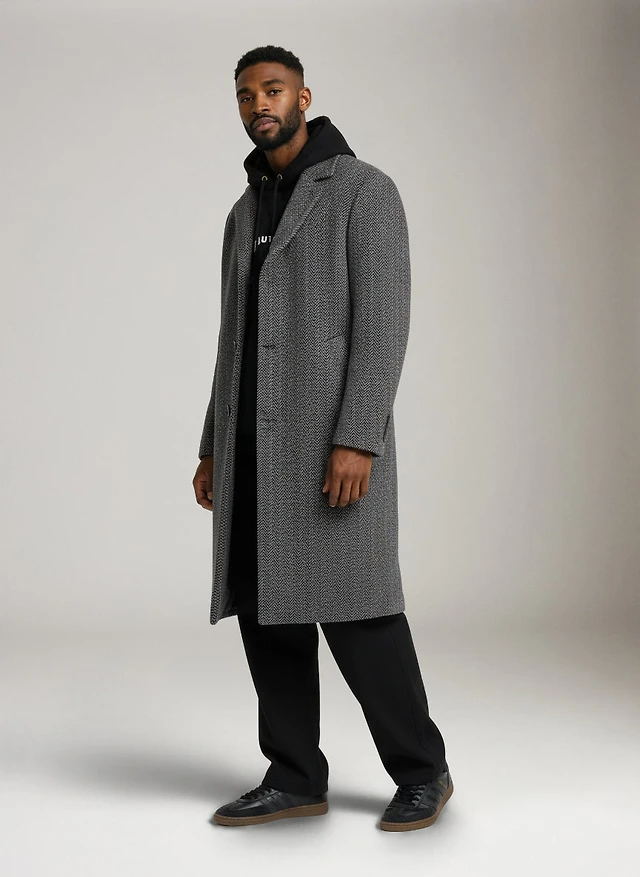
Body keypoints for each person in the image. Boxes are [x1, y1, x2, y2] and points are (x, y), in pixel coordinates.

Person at [192, 44, 453, 832]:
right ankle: (295, 773)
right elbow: (231, 339)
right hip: (252, 449)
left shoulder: (365, 191)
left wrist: (359, 438)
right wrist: (212, 443)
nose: (258, 105)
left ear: (304, 97)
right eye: (246, 95)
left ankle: (423, 769)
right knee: (266, 614)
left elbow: (384, 323)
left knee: (361, 613)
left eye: (272, 90)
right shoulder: (242, 213)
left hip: (327, 445)